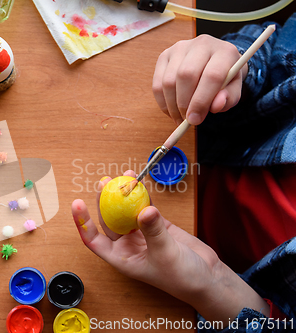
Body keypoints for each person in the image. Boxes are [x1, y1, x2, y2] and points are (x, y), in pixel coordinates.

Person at [71, 12, 296, 333]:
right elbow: (273, 46)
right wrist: (233, 69)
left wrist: (213, 287)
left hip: (221, 277)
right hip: (207, 150)